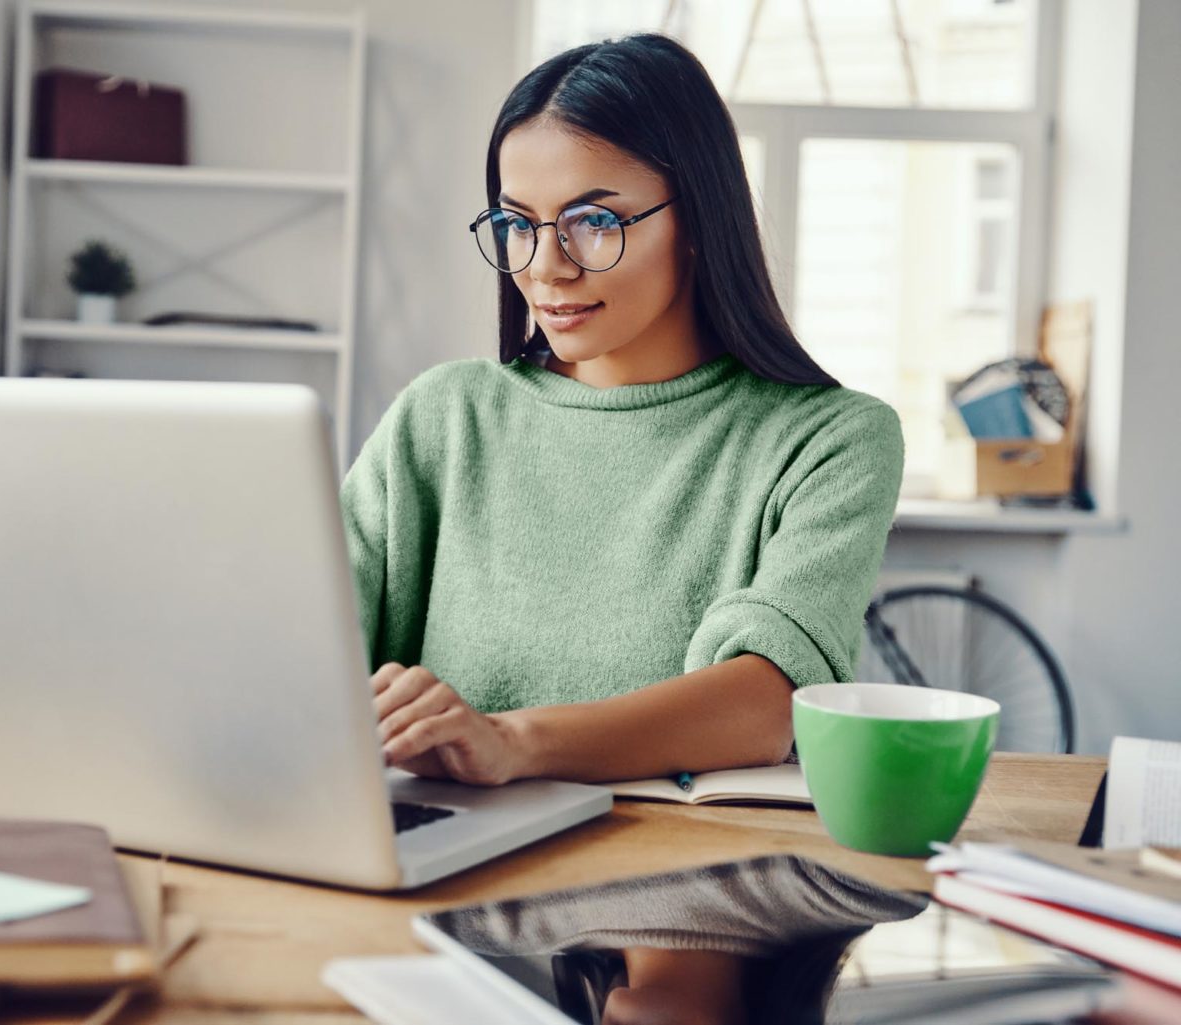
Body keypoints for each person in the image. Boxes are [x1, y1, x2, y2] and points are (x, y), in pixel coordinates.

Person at [339, 34, 904, 787]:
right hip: (443, 864)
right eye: (517, 224)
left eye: (593, 222)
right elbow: (304, 640)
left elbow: (764, 704)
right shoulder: (442, 417)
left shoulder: (831, 441)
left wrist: (511, 740)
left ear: (699, 221)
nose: (546, 267)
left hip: (680, 882)